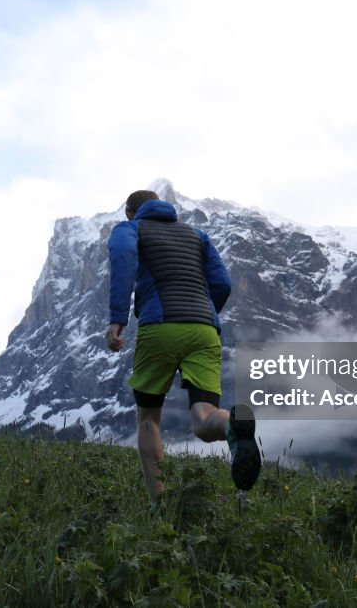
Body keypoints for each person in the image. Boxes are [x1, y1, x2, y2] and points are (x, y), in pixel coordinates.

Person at [105, 189, 261, 500]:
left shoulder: (131, 228)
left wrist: (117, 319)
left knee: (148, 418)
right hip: (204, 328)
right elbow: (223, 283)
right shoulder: (196, 234)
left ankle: (159, 502)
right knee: (204, 417)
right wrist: (203, 313)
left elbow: (122, 257)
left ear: (129, 212)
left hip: (159, 326)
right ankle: (231, 426)